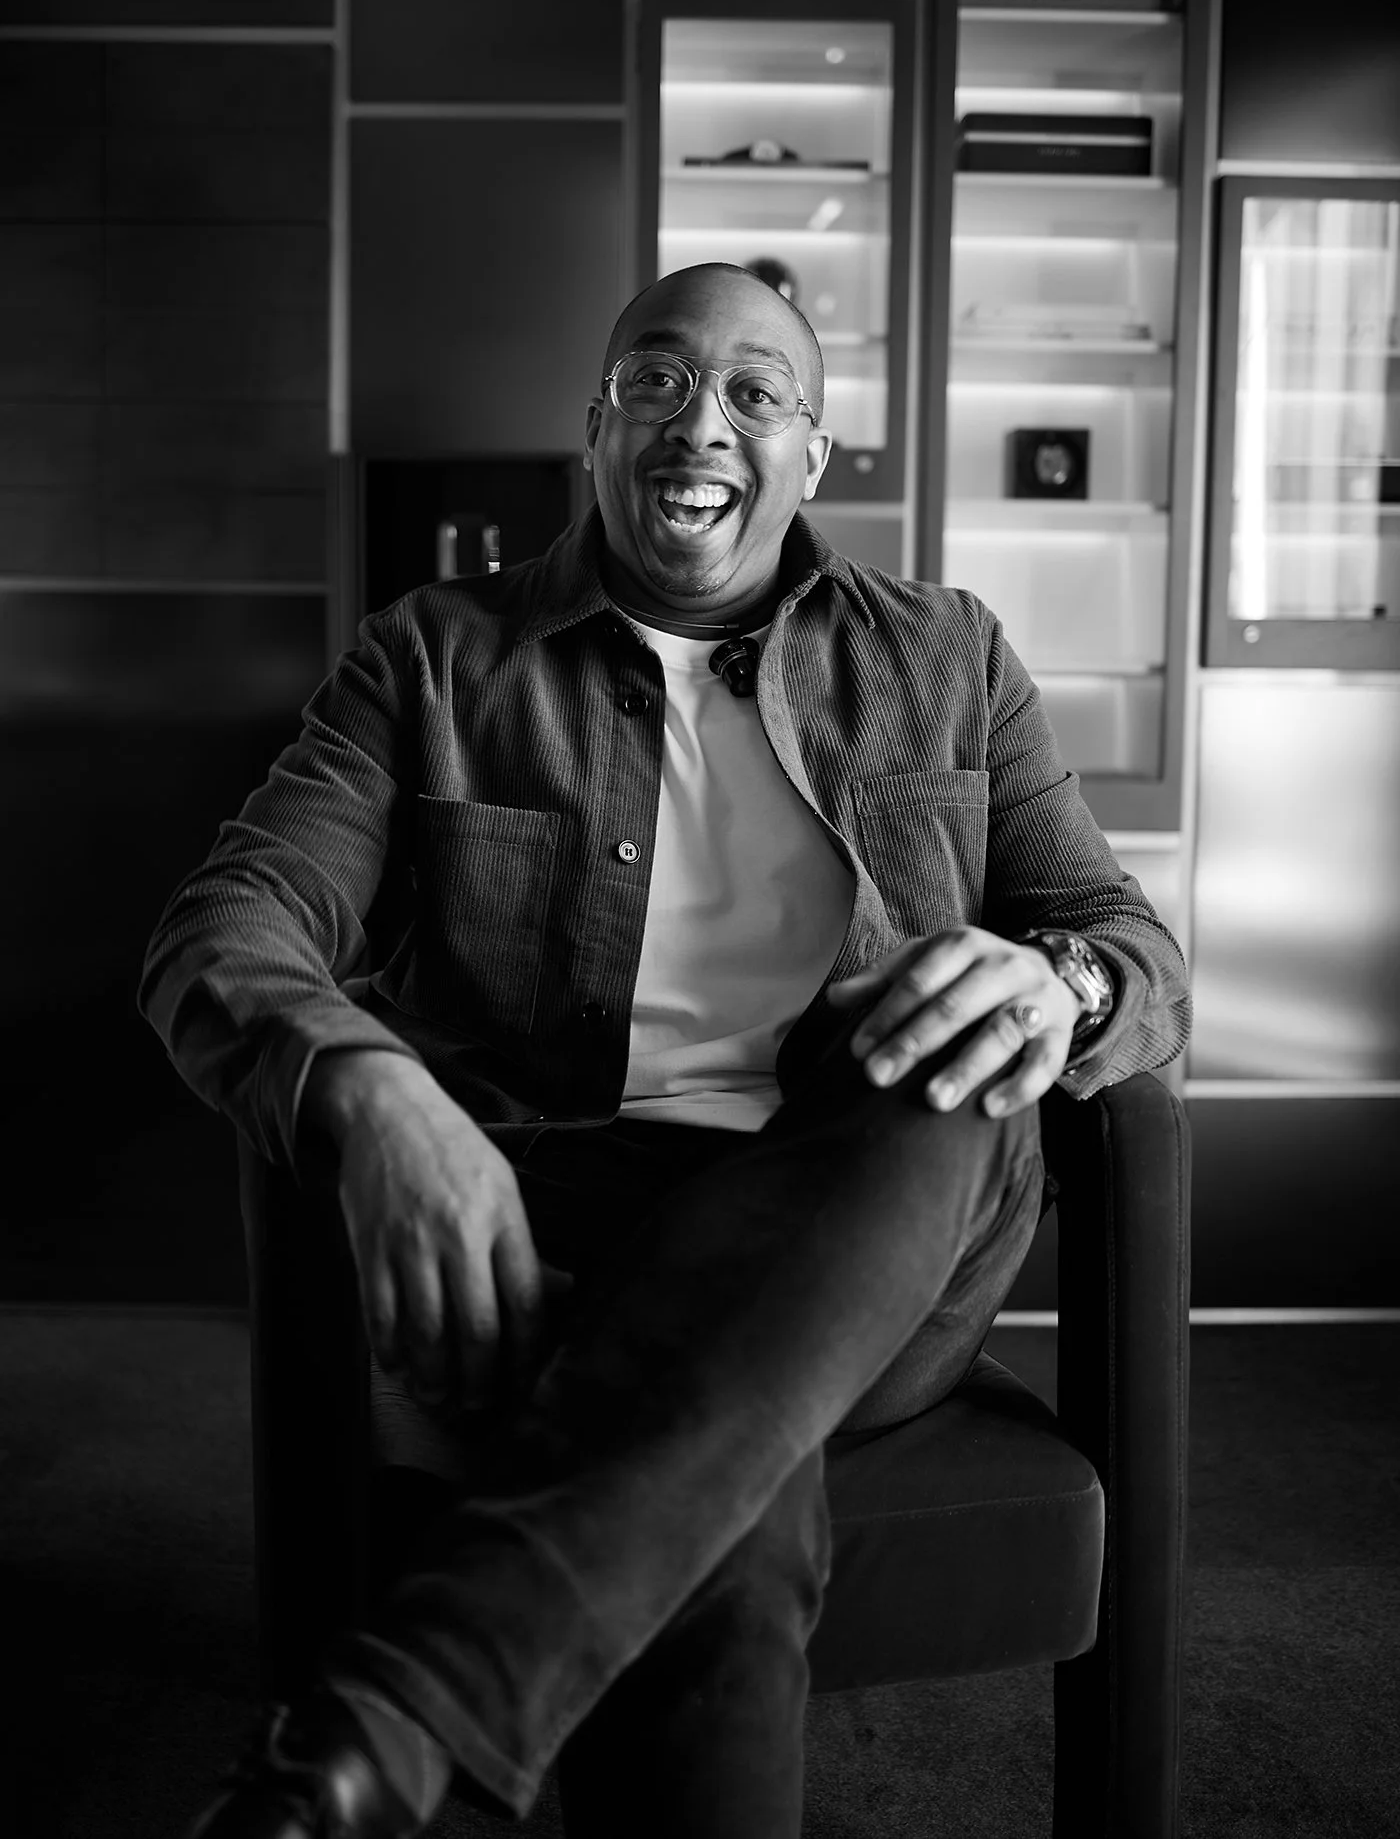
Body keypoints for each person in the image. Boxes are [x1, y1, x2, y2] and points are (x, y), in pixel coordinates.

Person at [142, 261, 1191, 1839]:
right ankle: (413, 1720)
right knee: (725, 1491)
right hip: (562, 1234)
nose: (701, 421)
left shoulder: (950, 656)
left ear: (813, 453)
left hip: (877, 1222)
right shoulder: (431, 657)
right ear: (595, 426)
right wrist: (368, 1087)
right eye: (655, 380)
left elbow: (1134, 944)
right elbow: (226, 927)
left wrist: (1061, 990)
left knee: (949, 1062)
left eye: (756, 392)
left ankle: (415, 1702)